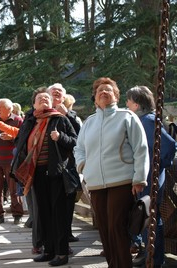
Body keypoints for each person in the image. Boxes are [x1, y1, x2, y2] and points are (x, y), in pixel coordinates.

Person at [74, 77, 150, 267]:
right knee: (105, 230)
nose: (103, 92)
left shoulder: (127, 117)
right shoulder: (89, 122)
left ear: (116, 95)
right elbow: (79, 149)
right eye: (100, 90)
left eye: (108, 90)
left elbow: (140, 149)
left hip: (122, 181)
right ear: (95, 97)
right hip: (96, 184)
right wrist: (83, 166)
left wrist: (139, 178)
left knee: (117, 227)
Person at [10, 87, 77, 266]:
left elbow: (74, 141)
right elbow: (20, 142)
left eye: (47, 98)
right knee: (43, 213)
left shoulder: (60, 119)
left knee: (58, 213)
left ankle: (62, 253)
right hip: (36, 173)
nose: (44, 100)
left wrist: (60, 137)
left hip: (56, 172)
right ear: (34, 104)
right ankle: (48, 250)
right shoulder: (30, 121)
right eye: (40, 98)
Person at [126, 86, 176, 268]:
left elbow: (169, 146)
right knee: (147, 218)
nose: (127, 105)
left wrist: (157, 167)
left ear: (137, 104)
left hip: (149, 179)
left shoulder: (146, 121)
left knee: (150, 218)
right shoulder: (144, 120)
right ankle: (150, 255)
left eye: (129, 102)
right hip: (147, 177)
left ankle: (154, 260)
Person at [47, 83, 82, 246]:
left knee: (68, 201)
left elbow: (79, 138)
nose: (56, 93)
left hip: (67, 165)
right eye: (53, 92)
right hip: (46, 167)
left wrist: (67, 115)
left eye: (60, 92)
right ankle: (49, 238)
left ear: (64, 96)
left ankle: (66, 233)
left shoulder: (72, 115)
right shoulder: (40, 114)